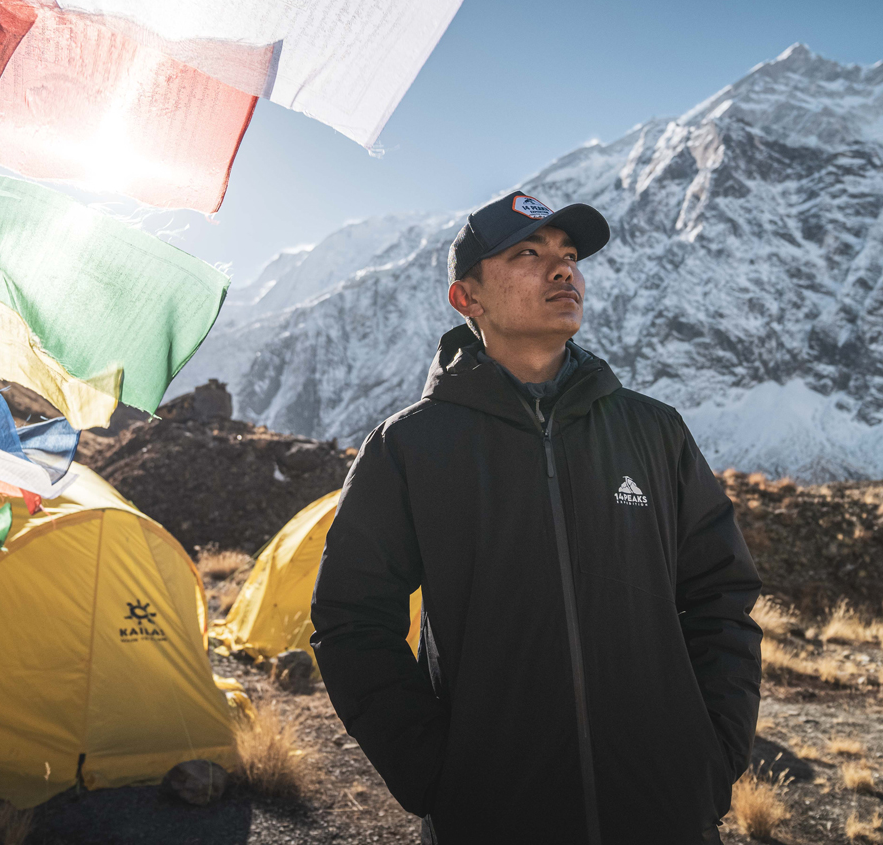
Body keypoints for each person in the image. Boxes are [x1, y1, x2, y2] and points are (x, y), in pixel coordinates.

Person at [311, 190, 762, 845]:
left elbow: (721, 594)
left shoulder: (653, 432)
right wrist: (434, 774)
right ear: (467, 299)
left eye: (570, 256)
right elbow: (352, 618)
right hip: (493, 818)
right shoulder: (409, 447)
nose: (563, 271)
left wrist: (713, 757)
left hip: (666, 811)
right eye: (528, 253)